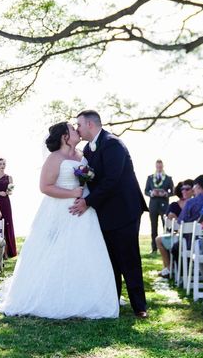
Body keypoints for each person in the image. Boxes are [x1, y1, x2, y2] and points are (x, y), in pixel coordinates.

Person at [0, 121, 119, 319]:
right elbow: (45, 187)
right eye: (72, 129)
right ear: (64, 137)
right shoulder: (55, 158)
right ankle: (54, 296)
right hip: (61, 209)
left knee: (85, 250)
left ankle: (86, 296)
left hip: (84, 210)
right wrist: (71, 193)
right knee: (57, 250)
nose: (77, 130)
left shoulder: (82, 155)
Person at [70, 110, 148, 318]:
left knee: (128, 258)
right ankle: (112, 301)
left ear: (90, 125)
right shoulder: (88, 148)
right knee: (110, 259)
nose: (77, 128)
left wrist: (87, 201)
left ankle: (139, 306)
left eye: (79, 124)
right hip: (105, 211)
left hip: (125, 210)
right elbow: (94, 178)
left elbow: (112, 180)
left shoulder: (113, 143)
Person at [155, 180, 193, 277]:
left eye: (187, 189)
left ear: (193, 190)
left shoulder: (193, 204)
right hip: (178, 236)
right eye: (182, 189)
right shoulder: (174, 205)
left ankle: (169, 268)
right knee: (159, 239)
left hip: (188, 239)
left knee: (160, 240)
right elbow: (169, 220)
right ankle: (168, 267)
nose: (184, 191)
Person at [144, 159, 174, 253]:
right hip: (153, 205)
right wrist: (151, 193)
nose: (159, 168)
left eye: (160, 167)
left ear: (163, 166)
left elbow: (172, 191)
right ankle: (154, 248)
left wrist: (165, 194)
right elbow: (146, 191)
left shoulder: (168, 178)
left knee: (165, 226)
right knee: (153, 227)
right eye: (157, 167)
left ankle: (167, 248)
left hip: (164, 205)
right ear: (155, 167)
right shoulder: (150, 178)